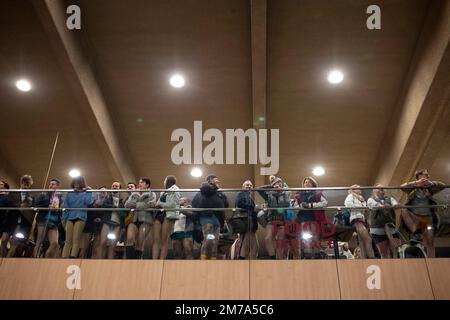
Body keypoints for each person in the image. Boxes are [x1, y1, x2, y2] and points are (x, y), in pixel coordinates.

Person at [400, 169, 445, 258]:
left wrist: (431, 184)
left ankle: (431, 261)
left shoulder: (430, 189)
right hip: (415, 218)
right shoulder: (412, 190)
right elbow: (402, 186)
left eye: (426, 177)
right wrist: (416, 183)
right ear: (418, 178)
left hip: (427, 219)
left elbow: (442, 185)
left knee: (430, 240)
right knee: (404, 209)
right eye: (422, 177)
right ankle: (415, 231)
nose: (424, 179)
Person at [192, 174, 229, 260]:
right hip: (206, 217)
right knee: (208, 239)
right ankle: (203, 259)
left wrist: (221, 194)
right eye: (216, 179)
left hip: (217, 218)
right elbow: (197, 201)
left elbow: (225, 204)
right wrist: (216, 189)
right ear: (210, 180)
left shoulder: (219, 192)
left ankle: (213, 260)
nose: (218, 181)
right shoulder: (204, 188)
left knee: (215, 241)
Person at [292, 177, 328, 259]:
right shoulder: (298, 195)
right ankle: (307, 253)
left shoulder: (318, 193)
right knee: (305, 235)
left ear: (313, 184)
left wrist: (310, 205)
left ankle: (316, 254)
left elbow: (325, 202)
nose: (307, 183)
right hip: (302, 217)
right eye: (305, 182)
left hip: (315, 217)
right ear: (303, 184)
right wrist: (301, 206)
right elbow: (294, 206)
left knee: (315, 235)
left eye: (309, 182)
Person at [257, 176, 290, 259]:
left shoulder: (285, 193)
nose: (279, 184)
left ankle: (280, 258)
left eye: (280, 183)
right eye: (277, 182)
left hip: (282, 219)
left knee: (280, 240)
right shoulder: (268, 193)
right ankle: (272, 257)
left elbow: (287, 204)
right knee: (268, 238)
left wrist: (280, 193)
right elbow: (258, 189)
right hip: (271, 218)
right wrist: (270, 186)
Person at [62, 176, 94, 258]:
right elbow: (66, 206)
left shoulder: (85, 192)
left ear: (81, 183)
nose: (76, 184)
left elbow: (89, 202)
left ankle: (72, 257)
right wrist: (64, 219)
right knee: (68, 240)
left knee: (76, 239)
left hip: (81, 216)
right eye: (75, 182)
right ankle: (64, 257)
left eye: (78, 182)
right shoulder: (70, 193)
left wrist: (89, 192)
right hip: (70, 217)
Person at [124, 177, 156, 259]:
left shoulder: (152, 193)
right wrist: (142, 205)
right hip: (134, 218)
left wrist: (136, 205)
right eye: (139, 182)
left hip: (146, 219)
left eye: (142, 182)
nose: (140, 184)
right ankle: (130, 261)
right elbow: (127, 204)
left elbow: (151, 204)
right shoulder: (134, 193)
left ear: (147, 184)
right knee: (130, 238)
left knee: (140, 241)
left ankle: (137, 262)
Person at [367, 184, 401, 258]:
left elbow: (395, 204)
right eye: (379, 189)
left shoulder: (390, 199)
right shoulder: (370, 199)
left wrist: (396, 205)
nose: (381, 190)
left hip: (391, 226)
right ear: (374, 190)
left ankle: (397, 265)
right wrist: (383, 206)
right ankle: (386, 267)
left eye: (382, 189)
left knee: (395, 248)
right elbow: (374, 206)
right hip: (377, 228)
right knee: (383, 252)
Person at [32, 178, 64, 258]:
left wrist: (59, 209)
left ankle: (46, 259)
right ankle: (35, 259)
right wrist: (47, 206)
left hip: (54, 221)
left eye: (53, 184)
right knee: (40, 240)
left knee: (55, 243)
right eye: (50, 184)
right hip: (43, 219)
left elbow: (61, 210)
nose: (50, 185)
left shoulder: (60, 197)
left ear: (57, 186)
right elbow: (36, 205)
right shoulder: (43, 194)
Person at [94, 182, 126, 259]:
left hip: (117, 223)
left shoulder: (123, 199)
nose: (115, 187)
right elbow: (104, 206)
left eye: (117, 186)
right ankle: (99, 261)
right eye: (113, 186)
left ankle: (110, 262)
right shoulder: (107, 197)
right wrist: (115, 208)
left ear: (120, 188)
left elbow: (124, 212)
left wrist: (118, 210)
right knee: (103, 242)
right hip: (107, 221)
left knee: (113, 244)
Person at [7, 175, 35, 257]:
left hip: (23, 220)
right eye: (24, 184)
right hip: (12, 218)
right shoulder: (13, 192)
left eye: (28, 185)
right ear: (21, 183)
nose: (26, 187)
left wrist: (30, 204)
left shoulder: (31, 197)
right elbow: (8, 202)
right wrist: (19, 205)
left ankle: (7, 259)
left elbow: (32, 208)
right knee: (5, 239)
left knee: (14, 240)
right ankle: (3, 257)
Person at [154, 175, 180, 259]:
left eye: (165, 180)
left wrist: (160, 204)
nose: (164, 182)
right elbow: (156, 204)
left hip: (168, 215)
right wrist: (158, 204)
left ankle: (161, 261)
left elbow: (171, 205)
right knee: (156, 239)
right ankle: (154, 260)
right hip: (159, 215)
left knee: (164, 240)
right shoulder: (163, 192)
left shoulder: (175, 189)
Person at [344, 185, 374, 259]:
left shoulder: (362, 199)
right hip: (356, 219)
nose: (360, 190)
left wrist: (366, 211)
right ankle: (372, 258)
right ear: (353, 190)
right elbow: (348, 204)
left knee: (362, 242)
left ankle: (364, 259)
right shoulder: (351, 196)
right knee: (368, 239)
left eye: (360, 188)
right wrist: (361, 208)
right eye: (358, 188)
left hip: (362, 219)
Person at [0, 180, 15, 257]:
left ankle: (3, 260)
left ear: (6, 188)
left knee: (4, 241)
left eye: (1, 184)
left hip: (7, 222)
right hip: (2, 220)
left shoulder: (9, 197)